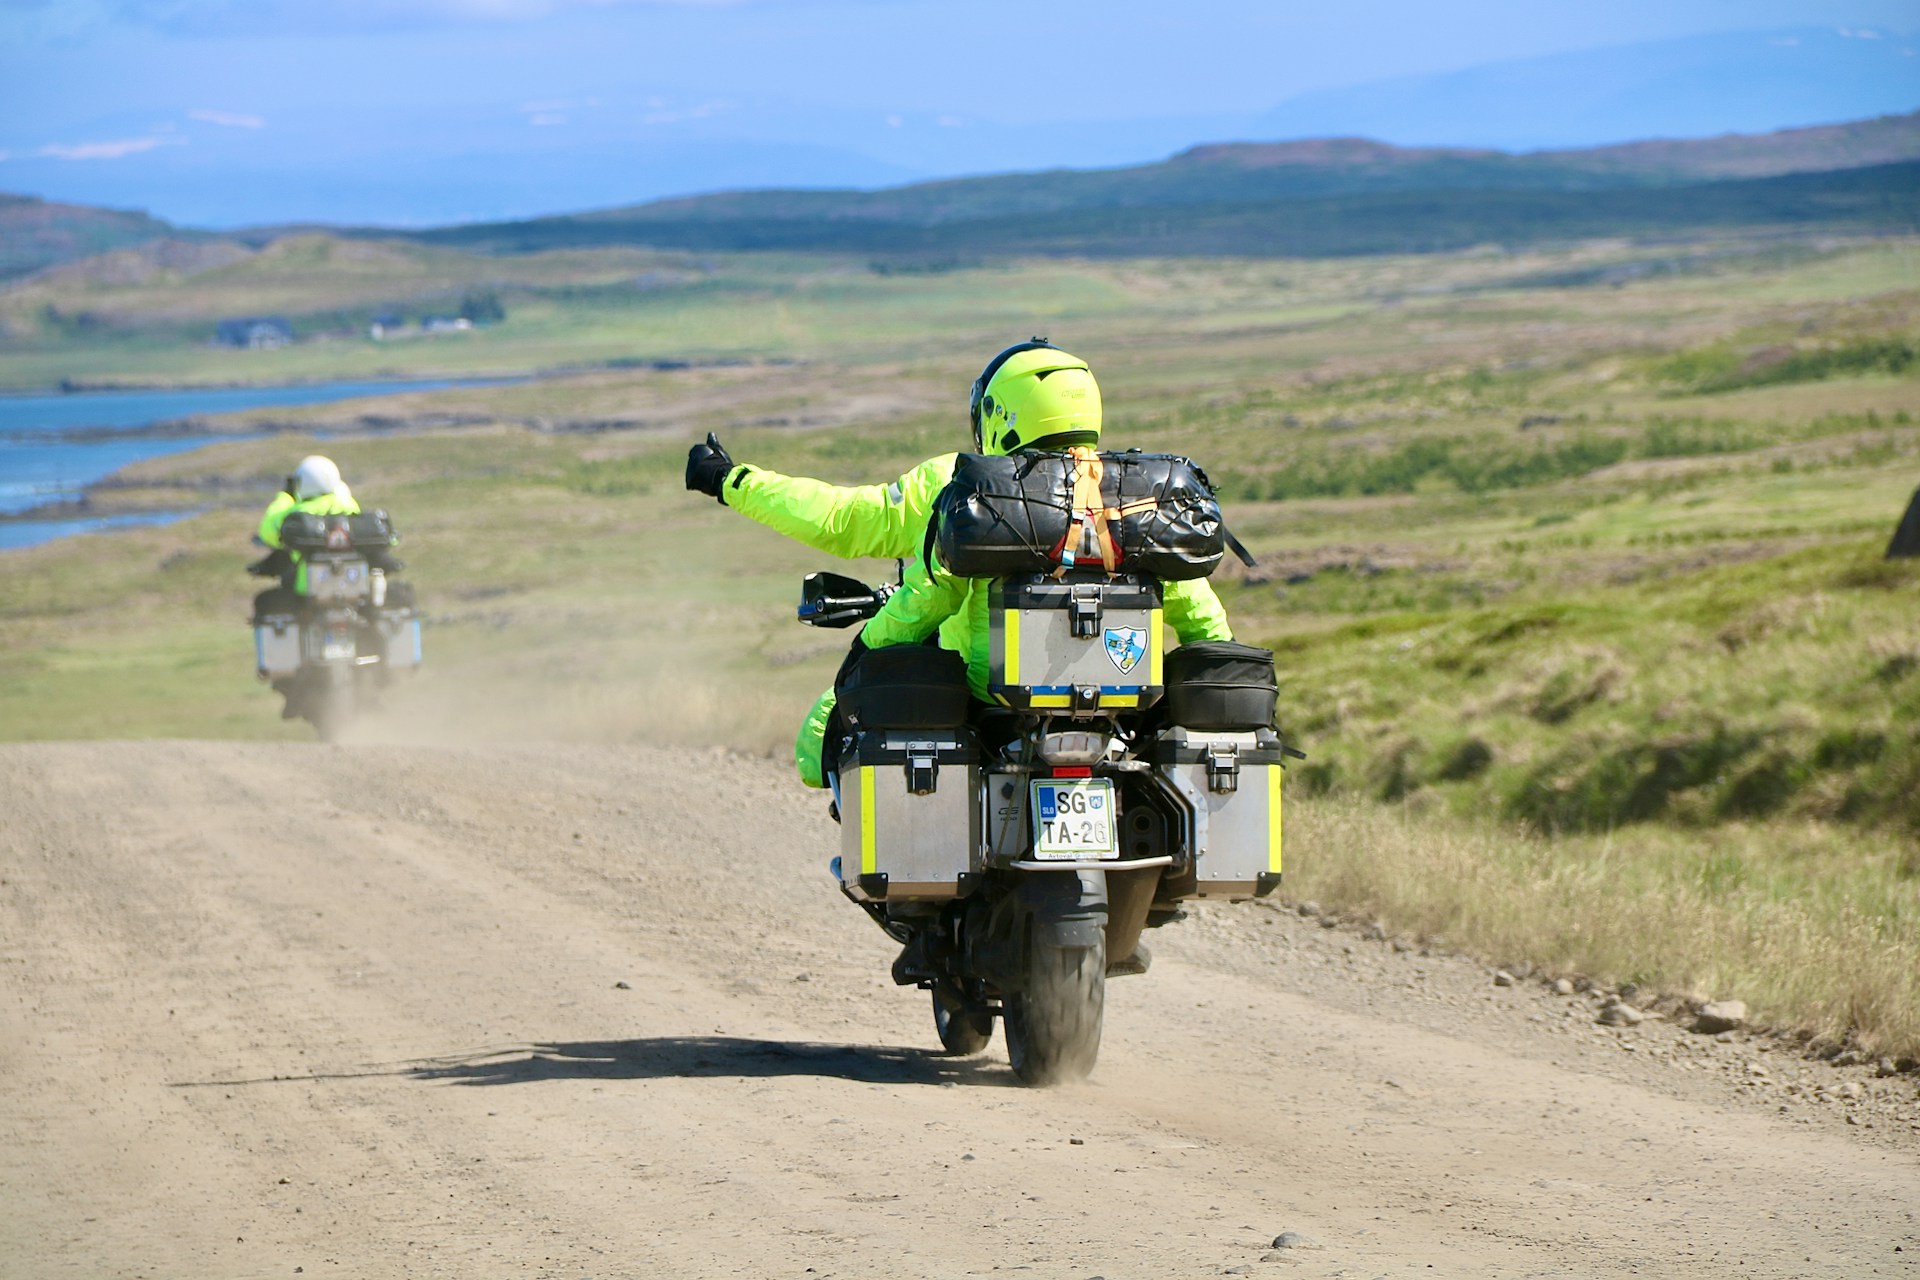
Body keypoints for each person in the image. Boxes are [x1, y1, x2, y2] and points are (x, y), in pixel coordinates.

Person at [687, 340, 1234, 790]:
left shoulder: (962, 483)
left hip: (986, 700)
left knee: (820, 745)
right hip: (1122, 707)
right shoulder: (1135, 492)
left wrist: (732, 481)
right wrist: (1227, 676)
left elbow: (844, 521)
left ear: (1001, 414)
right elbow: (1194, 606)